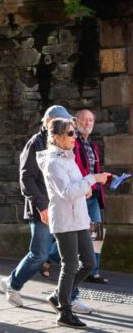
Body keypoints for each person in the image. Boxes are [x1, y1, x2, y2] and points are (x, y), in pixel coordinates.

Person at [0, 104, 91, 314]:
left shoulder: (65, 143)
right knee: (40, 254)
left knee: (73, 259)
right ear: (50, 122)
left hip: (65, 209)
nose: (71, 130)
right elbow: (26, 179)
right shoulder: (35, 144)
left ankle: (67, 296)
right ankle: (13, 284)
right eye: (65, 123)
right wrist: (41, 206)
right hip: (43, 208)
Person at [37, 118, 111, 329]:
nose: (74, 137)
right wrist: (93, 179)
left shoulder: (68, 158)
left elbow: (76, 189)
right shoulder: (52, 162)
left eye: (74, 133)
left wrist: (87, 188)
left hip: (78, 219)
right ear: (56, 137)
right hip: (64, 221)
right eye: (70, 133)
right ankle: (64, 311)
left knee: (88, 262)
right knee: (69, 265)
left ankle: (58, 296)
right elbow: (67, 192)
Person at [74, 109, 108, 284]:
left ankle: (92, 272)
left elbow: (93, 170)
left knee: (97, 233)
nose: (87, 123)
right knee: (72, 234)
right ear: (76, 121)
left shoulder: (93, 145)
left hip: (93, 195)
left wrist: (105, 177)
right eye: (84, 120)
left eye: (90, 121)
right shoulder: (72, 142)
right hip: (79, 195)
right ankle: (47, 257)